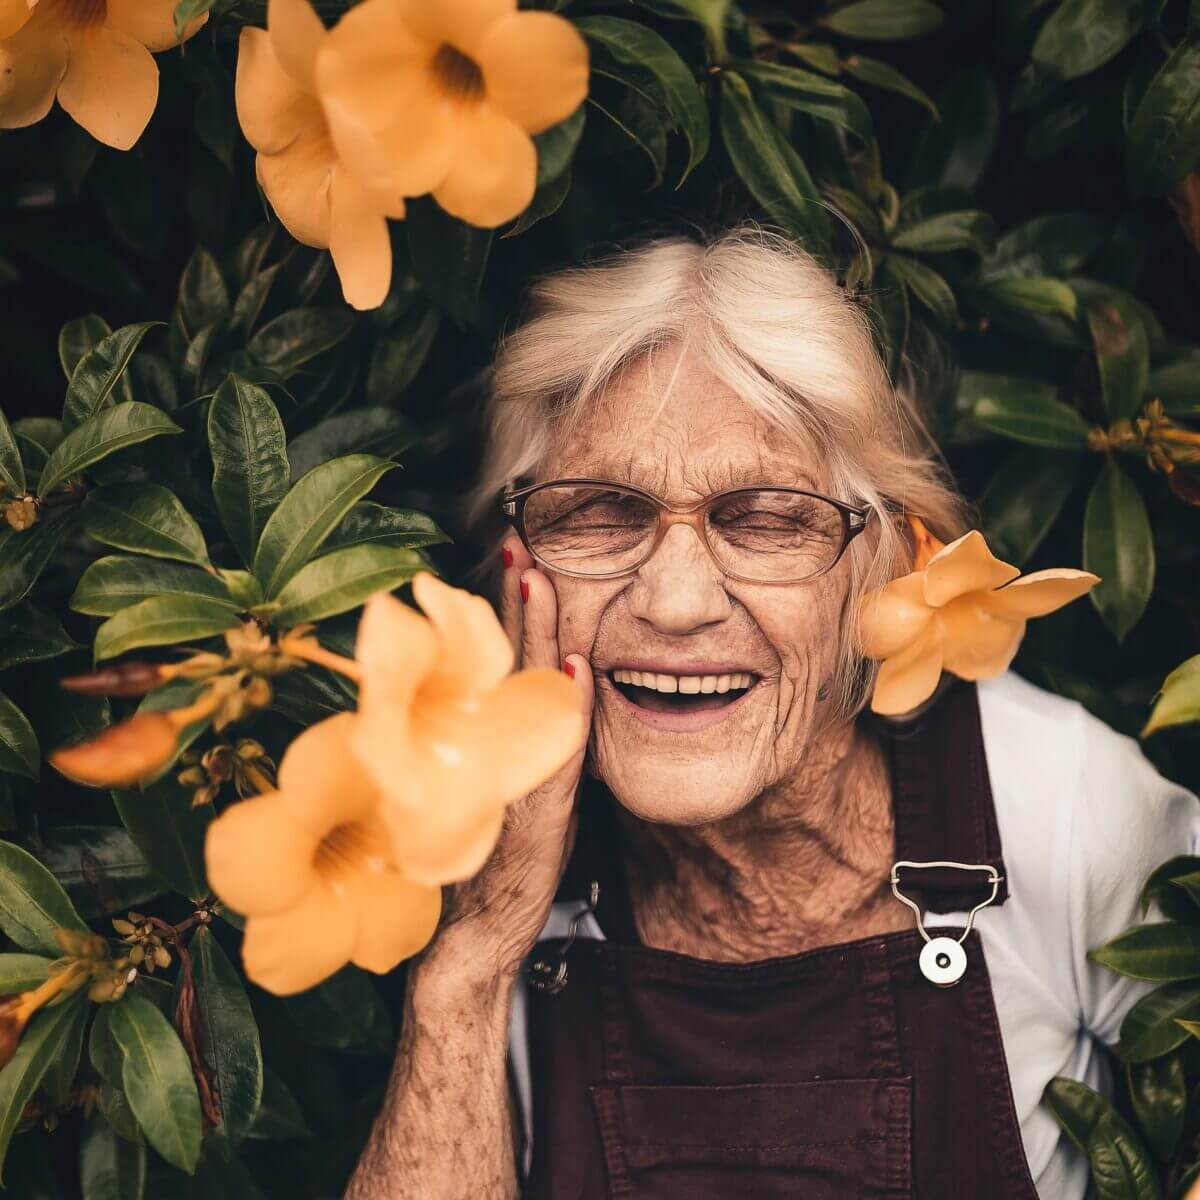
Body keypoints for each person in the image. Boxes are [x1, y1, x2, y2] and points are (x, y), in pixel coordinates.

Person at [345, 228, 1200, 1199]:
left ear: (872, 565)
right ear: (522, 569)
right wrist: (474, 959)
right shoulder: (492, 849)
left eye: (764, 519)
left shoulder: (1058, 803)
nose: (674, 602)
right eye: (602, 512)